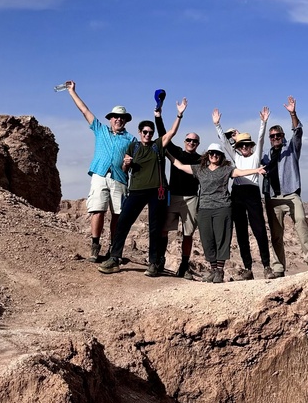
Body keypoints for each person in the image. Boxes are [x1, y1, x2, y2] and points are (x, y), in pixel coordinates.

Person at [98, 94, 179, 276]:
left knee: (155, 228)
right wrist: (126, 163)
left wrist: (179, 115)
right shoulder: (133, 147)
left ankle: (153, 263)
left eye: (150, 132)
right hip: (135, 190)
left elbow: (171, 132)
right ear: (140, 133)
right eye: (145, 132)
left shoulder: (157, 146)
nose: (148, 135)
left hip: (157, 191)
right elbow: (125, 168)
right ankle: (115, 257)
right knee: (123, 223)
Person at [170, 143, 265, 283]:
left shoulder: (226, 169)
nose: (214, 155)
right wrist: (165, 152)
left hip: (223, 208)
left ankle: (220, 271)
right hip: (204, 209)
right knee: (207, 240)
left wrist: (256, 170)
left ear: (221, 156)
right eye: (212, 153)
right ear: (208, 155)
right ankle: (213, 270)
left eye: (217, 153)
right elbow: (179, 165)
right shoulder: (200, 169)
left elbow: (239, 172)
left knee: (222, 239)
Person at [64, 80, 134, 262]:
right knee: (98, 210)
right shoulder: (100, 130)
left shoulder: (131, 139)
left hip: (119, 178)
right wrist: (72, 91)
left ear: (125, 120)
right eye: (115, 117)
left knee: (117, 215)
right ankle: (95, 247)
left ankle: (114, 250)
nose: (118, 119)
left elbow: (131, 162)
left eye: (122, 117)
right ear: (110, 119)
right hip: (100, 174)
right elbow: (84, 111)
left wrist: (128, 164)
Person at [260, 95, 308, 278]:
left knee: (301, 223)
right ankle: (278, 268)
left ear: (283, 136)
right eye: (273, 136)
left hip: (292, 194)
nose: (276, 138)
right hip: (273, 197)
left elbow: (298, 131)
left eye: (278, 135)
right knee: (276, 235)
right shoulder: (265, 155)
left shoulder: (291, 149)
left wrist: (293, 113)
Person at [214, 106, 272, 280]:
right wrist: (217, 125)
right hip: (237, 193)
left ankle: (267, 266)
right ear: (238, 147)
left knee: (259, 229)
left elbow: (261, 138)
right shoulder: (236, 157)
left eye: (248, 145)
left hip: (252, 193)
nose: (245, 147)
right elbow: (225, 144)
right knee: (240, 231)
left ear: (251, 146)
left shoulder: (255, 157)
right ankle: (248, 268)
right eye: (242, 145)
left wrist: (263, 122)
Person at [163, 121, 203, 279]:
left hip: (191, 198)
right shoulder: (177, 152)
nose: (191, 143)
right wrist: (158, 114)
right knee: (164, 229)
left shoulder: (202, 160)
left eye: (194, 141)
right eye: (189, 140)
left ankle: (184, 266)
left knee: (188, 233)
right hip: (173, 196)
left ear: (198, 144)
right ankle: (160, 259)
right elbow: (164, 135)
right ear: (184, 142)